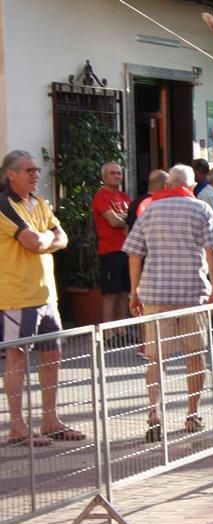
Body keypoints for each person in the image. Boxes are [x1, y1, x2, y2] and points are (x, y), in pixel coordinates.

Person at [122, 164, 213, 443]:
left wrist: (133, 293)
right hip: (192, 293)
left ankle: (154, 414)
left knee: (156, 357)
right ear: (190, 186)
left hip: (155, 293)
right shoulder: (202, 209)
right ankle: (193, 414)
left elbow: (133, 254)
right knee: (195, 353)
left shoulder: (149, 209)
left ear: (168, 186)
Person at [0, 150, 84, 445]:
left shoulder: (38, 202)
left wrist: (46, 238)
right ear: (11, 174)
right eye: (29, 170)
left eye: (36, 169)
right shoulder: (4, 205)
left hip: (47, 294)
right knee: (17, 358)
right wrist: (48, 238)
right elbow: (36, 241)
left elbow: (63, 237)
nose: (36, 174)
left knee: (52, 355)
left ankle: (50, 420)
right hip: (18, 294)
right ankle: (18, 427)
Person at [91, 162, 131, 333]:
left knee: (124, 293)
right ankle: (107, 333)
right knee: (111, 293)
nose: (117, 176)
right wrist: (124, 219)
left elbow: (133, 220)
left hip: (127, 250)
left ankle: (120, 331)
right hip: (110, 250)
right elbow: (113, 221)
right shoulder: (101, 196)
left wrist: (121, 217)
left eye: (119, 173)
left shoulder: (125, 197)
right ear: (104, 177)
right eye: (113, 173)